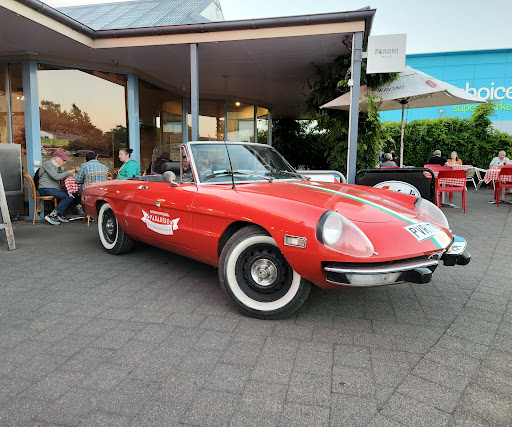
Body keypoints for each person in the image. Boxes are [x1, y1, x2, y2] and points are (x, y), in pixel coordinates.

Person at [37, 150, 80, 225]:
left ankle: (59, 214)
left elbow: (63, 175)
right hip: (45, 189)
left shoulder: (57, 167)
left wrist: (72, 172)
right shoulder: (48, 164)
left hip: (54, 189)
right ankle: (52, 215)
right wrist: (71, 171)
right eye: (63, 160)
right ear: (56, 158)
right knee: (68, 196)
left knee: (73, 195)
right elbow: (56, 177)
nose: (65, 162)